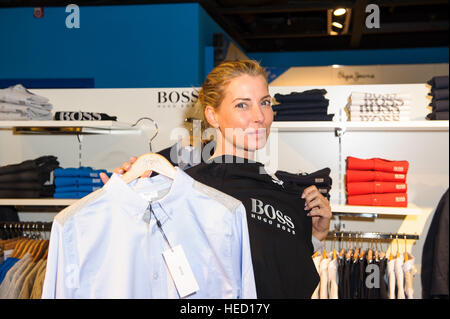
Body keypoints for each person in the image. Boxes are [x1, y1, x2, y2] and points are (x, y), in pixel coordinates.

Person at [100, 60, 332, 298]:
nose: (259, 116)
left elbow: (283, 278)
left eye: (265, 102)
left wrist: (313, 237)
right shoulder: (179, 190)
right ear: (212, 115)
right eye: (242, 105)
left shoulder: (282, 193)